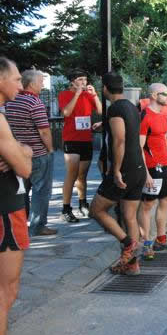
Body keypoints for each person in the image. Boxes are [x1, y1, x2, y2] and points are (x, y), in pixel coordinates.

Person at [89, 72, 147, 276]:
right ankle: (132, 264)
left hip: (125, 170)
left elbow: (120, 140)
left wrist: (115, 170)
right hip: (138, 168)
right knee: (130, 217)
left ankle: (128, 243)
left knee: (96, 210)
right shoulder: (131, 106)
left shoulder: (115, 109)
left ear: (105, 88)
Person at [0, 57, 33, 335]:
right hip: (6, 210)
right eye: (17, 79)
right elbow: (24, 169)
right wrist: (25, 151)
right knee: (6, 290)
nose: (21, 86)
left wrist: (18, 148)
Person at [5, 69, 56, 236]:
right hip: (38, 154)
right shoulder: (35, 102)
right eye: (41, 82)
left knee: (22, 191)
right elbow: (44, 131)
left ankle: (20, 225)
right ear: (32, 84)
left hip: (17, 154)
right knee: (41, 191)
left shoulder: (11, 101)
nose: (42, 85)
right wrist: (50, 149)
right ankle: (37, 226)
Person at [137, 83, 167, 261]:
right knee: (147, 205)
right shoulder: (145, 116)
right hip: (151, 168)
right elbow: (139, 147)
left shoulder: (163, 115)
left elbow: (163, 141)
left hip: (164, 166)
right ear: (154, 95)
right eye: (165, 94)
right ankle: (146, 243)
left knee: (166, 200)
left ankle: (161, 239)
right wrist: (145, 173)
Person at [58, 69, 102, 222]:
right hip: (71, 139)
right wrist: (76, 94)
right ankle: (66, 209)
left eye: (85, 79)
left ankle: (83, 204)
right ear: (72, 82)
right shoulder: (64, 94)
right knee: (72, 174)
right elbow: (66, 112)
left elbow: (101, 111)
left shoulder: (88, 95)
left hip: (86, 139)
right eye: (80, 79)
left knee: (82, 175)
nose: (84, 82)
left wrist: (94, 95)